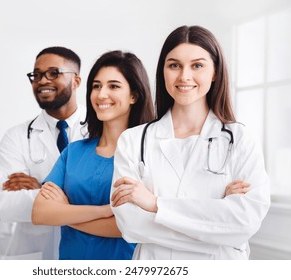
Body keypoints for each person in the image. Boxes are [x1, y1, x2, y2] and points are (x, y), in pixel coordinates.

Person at [110, 25, 270, 260]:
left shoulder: (240, 140)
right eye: (174, 65)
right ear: (163, 71)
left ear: (215, 72)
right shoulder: (133, 141)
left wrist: (155, 204)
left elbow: (245, 222)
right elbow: (131, 225)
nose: (184, 76)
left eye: (197, 65)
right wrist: (216, 218)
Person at [31, 50, 155, 259]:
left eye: (113, 86)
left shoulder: (148, 154)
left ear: (134, 95)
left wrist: (64, 212)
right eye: (96, 86)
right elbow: (40, 213)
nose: (101, 94)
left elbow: (128, 227)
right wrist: (104, 211)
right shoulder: (74, 152)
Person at [0, 46, 87, 259]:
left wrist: (42, 188)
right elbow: (7, 206)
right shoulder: (16, 137)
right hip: (35, 255)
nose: (42, 80)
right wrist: (76, 195)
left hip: (87, 251)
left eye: (54, 73)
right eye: (36, 75)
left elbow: (106, 198)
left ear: (76, 81)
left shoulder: (101, 130)